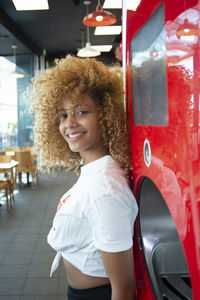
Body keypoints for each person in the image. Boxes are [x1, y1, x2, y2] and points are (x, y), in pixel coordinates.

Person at [29, 55, 138, 300]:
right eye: (63, 115)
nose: (70, 123)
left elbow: (124, 289)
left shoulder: (105, 187)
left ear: (106, 115)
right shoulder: (95, 170)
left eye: (81, 111)